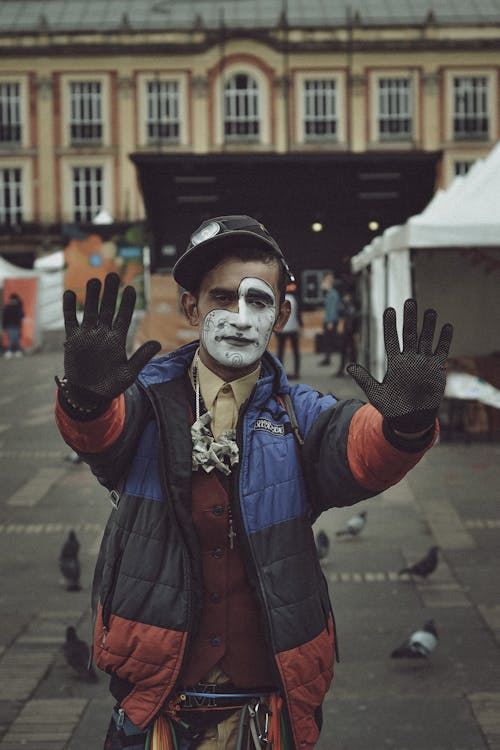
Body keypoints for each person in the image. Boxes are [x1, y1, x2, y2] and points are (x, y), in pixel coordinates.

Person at [54, 214, 453, 750]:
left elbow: (355, 447)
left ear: (281, 315)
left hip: (270, 704)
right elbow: (102, 436)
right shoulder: (143, 403)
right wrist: (86, 400)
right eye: (221, 298)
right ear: (191, 307)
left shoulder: (299, 414)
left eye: (259, 302)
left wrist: (403, 426)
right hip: (156, 701)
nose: (240, 318)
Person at [275, 281, 302, 379]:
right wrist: (300, 326)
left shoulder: (280, 300)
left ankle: (279, 372)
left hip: (282, 328)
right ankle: (296, 372)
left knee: (280, 351)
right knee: (295, 351)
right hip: (293, 328)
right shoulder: (295, 299)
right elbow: (299, 314)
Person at [335, 290, 360, 376]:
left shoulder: (347, 305)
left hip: (349, 330)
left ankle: (346, 370)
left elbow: (344, 316)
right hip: (350, 330)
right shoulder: (351, 305)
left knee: (348, 350)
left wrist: (341, 325)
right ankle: (350, 370)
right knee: (349, 351)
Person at [318, 272, 340, 367]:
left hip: (330, 321)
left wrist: (330, 321)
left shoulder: (332, 294)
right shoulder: (330, 294)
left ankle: (328, 358)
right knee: (328, 340)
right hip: (329, 320)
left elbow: (333, 308)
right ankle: (327, 358)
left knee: (329, 340)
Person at [2, 292, 25, 358]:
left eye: (15, 300)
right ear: (10, 300)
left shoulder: (18, 307)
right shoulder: (7, 307)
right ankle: (10, 351)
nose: (14, 301)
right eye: (13, 300)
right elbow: (4, 317)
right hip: (10, 326)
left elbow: (23, 315)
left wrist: (20, 304)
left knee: (16, 339)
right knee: (11, 339)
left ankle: (17, 351)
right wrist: (4, 326)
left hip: (17, 325)